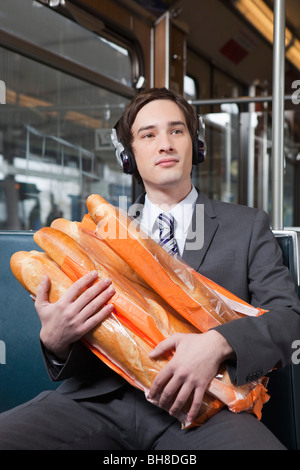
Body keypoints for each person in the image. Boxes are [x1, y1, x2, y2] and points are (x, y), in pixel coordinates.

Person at [1, 87, 300, 450]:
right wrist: (55, 341)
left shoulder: (248, 225)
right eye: (148, 134)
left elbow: (289, 320)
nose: (165, 144)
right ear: (130, 156)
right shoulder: (97, 234)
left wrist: (218, 344)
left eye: (177, 131)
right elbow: (100, 339)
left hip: (206, 406)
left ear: (196, 146)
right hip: (100, 402)